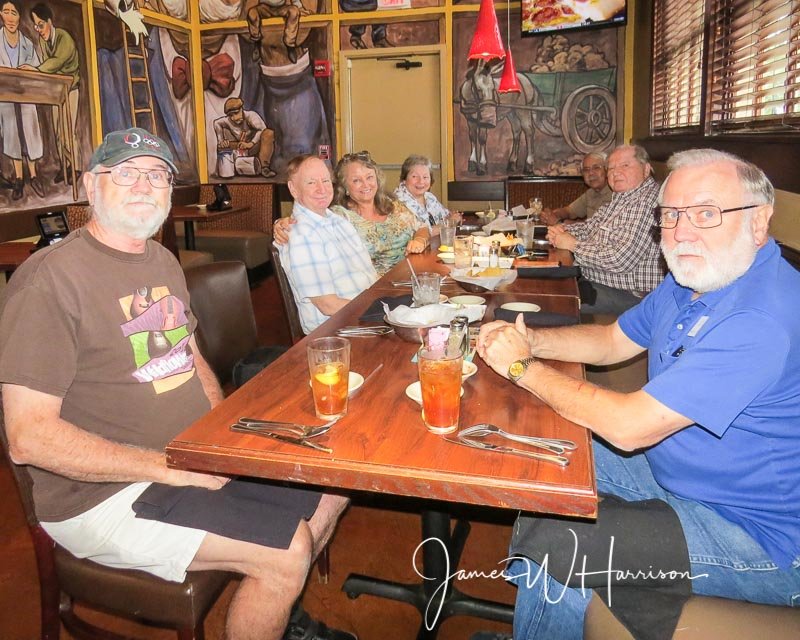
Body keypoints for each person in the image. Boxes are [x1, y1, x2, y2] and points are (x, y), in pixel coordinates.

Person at [0, 128, 355, 640]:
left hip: (184, 456)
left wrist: (215, 434)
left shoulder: (161, 260)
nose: (144, 185)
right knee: (287, 550)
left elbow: (189, 356)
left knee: (333, 485)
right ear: (89, 186)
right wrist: (172, 468)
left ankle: (278, 609)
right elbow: (28, 438)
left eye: (158, 175)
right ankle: (277, 579)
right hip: (103, 494)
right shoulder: (49, 282)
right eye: (126, 172)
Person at [478, 149, 800, 640]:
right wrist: (531, 339)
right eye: (670, 215)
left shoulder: (760, 318)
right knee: (544, 453)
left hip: (759, 535)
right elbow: (611, 340)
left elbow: (630, 428)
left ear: (759, 222)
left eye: (706, 213)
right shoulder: (692, 280)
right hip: (676, 471)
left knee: (562, 538)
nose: (682, 231)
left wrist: (520, 365)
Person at [547, 144, 664, 316]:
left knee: (553, 302)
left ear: (646, 169)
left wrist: (573, 245)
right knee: (546, 284)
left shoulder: (645, 203)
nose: (615, 172)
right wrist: (561, 229)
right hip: (600, 282)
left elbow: (620, 260)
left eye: (625, 165)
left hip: (632, 297)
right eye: (611, 168)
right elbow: (589, 227)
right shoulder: (623, 197)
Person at [275, 151, 430, 276]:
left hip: (414, 277)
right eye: (356, 180)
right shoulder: (339, 216)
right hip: (375, 290)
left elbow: (422, 227)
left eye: (369, 177)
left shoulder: (393, 205)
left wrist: (420, 240)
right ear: (345, 188)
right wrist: (282, 223)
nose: (366, 185)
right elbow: (310, 222)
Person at [277, 154, 378, 334]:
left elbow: (370, 275)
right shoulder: (302, 234)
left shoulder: (339, 221)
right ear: (293, 189)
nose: (321, 189)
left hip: (364, 316)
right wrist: (380, 313)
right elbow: (328, 305)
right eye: (311, 183)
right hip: (338, 331)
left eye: (325, 180)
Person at [21, 2, 81, 183]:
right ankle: (64, 167)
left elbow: (57, 62)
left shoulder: (64, 38)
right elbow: (48, 67)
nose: (38, 29)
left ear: (49, 22)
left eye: (40, 24)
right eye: (35, 26)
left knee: (68, 132)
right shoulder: (42, 41)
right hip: (56, 90)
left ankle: (75, 167)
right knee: (57, 132)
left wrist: (35, 69)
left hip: (70, 89)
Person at [0, 0, 45, 200]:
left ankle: (33, 176)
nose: (10, 17)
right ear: (1, 14)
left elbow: (36, 67)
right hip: (5, 96)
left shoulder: (27, 43)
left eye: (14, 13)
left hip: (26, 95)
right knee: (12, 133)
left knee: (30, 132)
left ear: (19, 17)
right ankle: (19, 179)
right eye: (6, 12)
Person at [539, 152, 612, 225]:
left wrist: (559, 222)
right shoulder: (591, 193)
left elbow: (596, 227)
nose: (591, 173)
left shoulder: (615, 194)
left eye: (596, 168)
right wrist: (552, 215)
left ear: (607, 170)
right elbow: (569, 211)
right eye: (586, 170)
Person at [213, 96, 276, 178]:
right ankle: (232, 167)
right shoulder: (227, 120)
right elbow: (216, 123)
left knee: (268, 133)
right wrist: (221, 140)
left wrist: (251, 143)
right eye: (231, 115)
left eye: (236, 113)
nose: (234, 118)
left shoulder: (251, 116)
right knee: (222, 147)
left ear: (241, 108)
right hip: (240, 147)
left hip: (254, 147)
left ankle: (264, 168)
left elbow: (262, 130)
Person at [394, 154, 449, 235]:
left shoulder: (429, 197)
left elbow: (446, 216)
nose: (421, 181)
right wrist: (450, 223)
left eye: (425, 177)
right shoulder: (398, 203)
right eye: (414, 176)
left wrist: (452, 218)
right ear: (404, 179)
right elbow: (418, 234)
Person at [247, 0, 310, 65]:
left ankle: (290, 45)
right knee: (252, 13)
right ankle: (257, 43)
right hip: (264, 8)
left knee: (294, 12)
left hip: (281, 8)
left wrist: (300, 8)